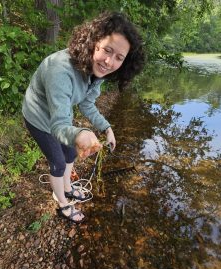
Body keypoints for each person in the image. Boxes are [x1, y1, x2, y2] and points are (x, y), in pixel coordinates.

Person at [22, 11, 145, 223]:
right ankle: (62, 202)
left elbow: (87, 104)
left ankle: (67, 188)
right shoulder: (60, 70)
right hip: (39, 118)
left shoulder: (94, 71)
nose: (109, 61)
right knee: (59, 163)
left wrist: (107, 129)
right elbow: (59, 125)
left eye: (119, 58)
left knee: (70, 155)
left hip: (60, 117)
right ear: (94, 42)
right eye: (107, 50)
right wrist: (81, 133)